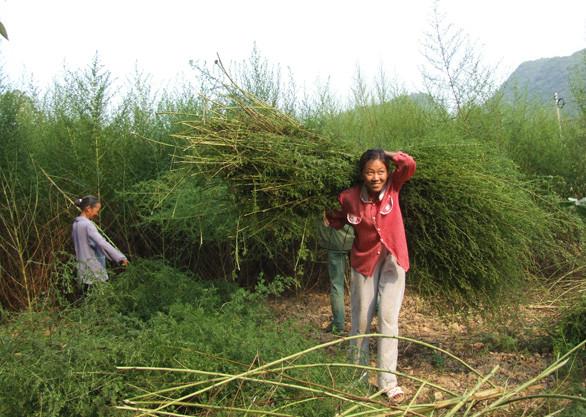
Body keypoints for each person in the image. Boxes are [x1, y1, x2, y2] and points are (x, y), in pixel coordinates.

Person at [325, 149, 416, 404]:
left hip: (393, 260)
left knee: (388, 319)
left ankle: (388, 382)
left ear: (387, 173)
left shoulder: (394, 188)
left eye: (380, 171)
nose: (375, 177)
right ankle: (358, 377)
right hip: (364, 262)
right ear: (361, 174)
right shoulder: (350, 198)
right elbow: (338, 217)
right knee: (361, 321)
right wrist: (327, 217)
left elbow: (408, 164)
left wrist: (385, 153)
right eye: (369, 172)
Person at [72, 195, 128, 290]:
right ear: (88, 209)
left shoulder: (75, 224)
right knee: (101, 302)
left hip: (82, 273)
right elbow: (102, 243)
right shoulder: (87, 225)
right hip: (95, 273)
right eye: (96, 211)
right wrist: (120, 257)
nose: (97, 214)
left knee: (87, 302)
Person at [317, 221, 354, 334]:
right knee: (364, 282)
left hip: (335, 243)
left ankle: (338, 325)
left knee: (337, 285)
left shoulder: (326, 203)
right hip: (356, 240)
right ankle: (377, 315)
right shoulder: (355, 202)